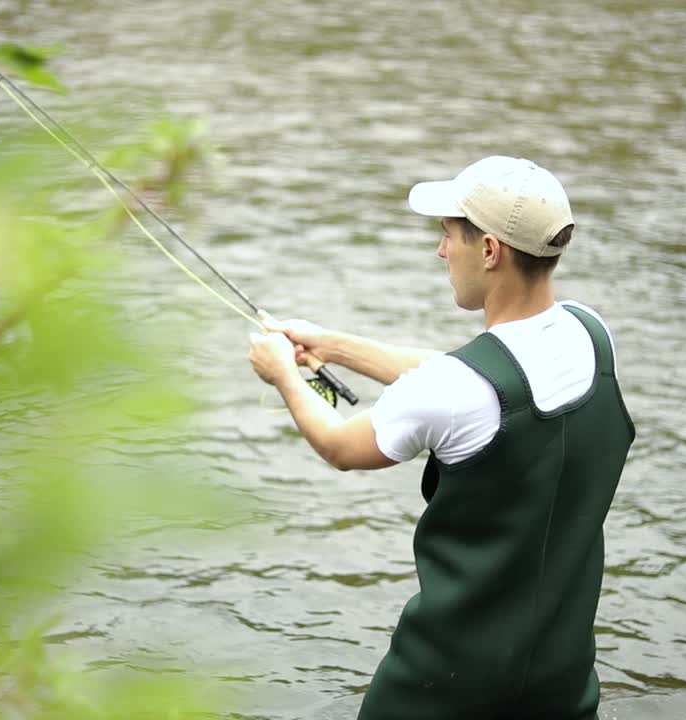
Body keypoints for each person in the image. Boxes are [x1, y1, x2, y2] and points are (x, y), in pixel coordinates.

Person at [247, 156, 634, 720]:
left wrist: (283, 373)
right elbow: (475, 378)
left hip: (442, 690)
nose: (440, 251)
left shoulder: (456, 388)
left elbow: (339, 445)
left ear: (490, 251)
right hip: (562, 683)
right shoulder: (591, 336)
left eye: (448, 234)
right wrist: (331, 346)